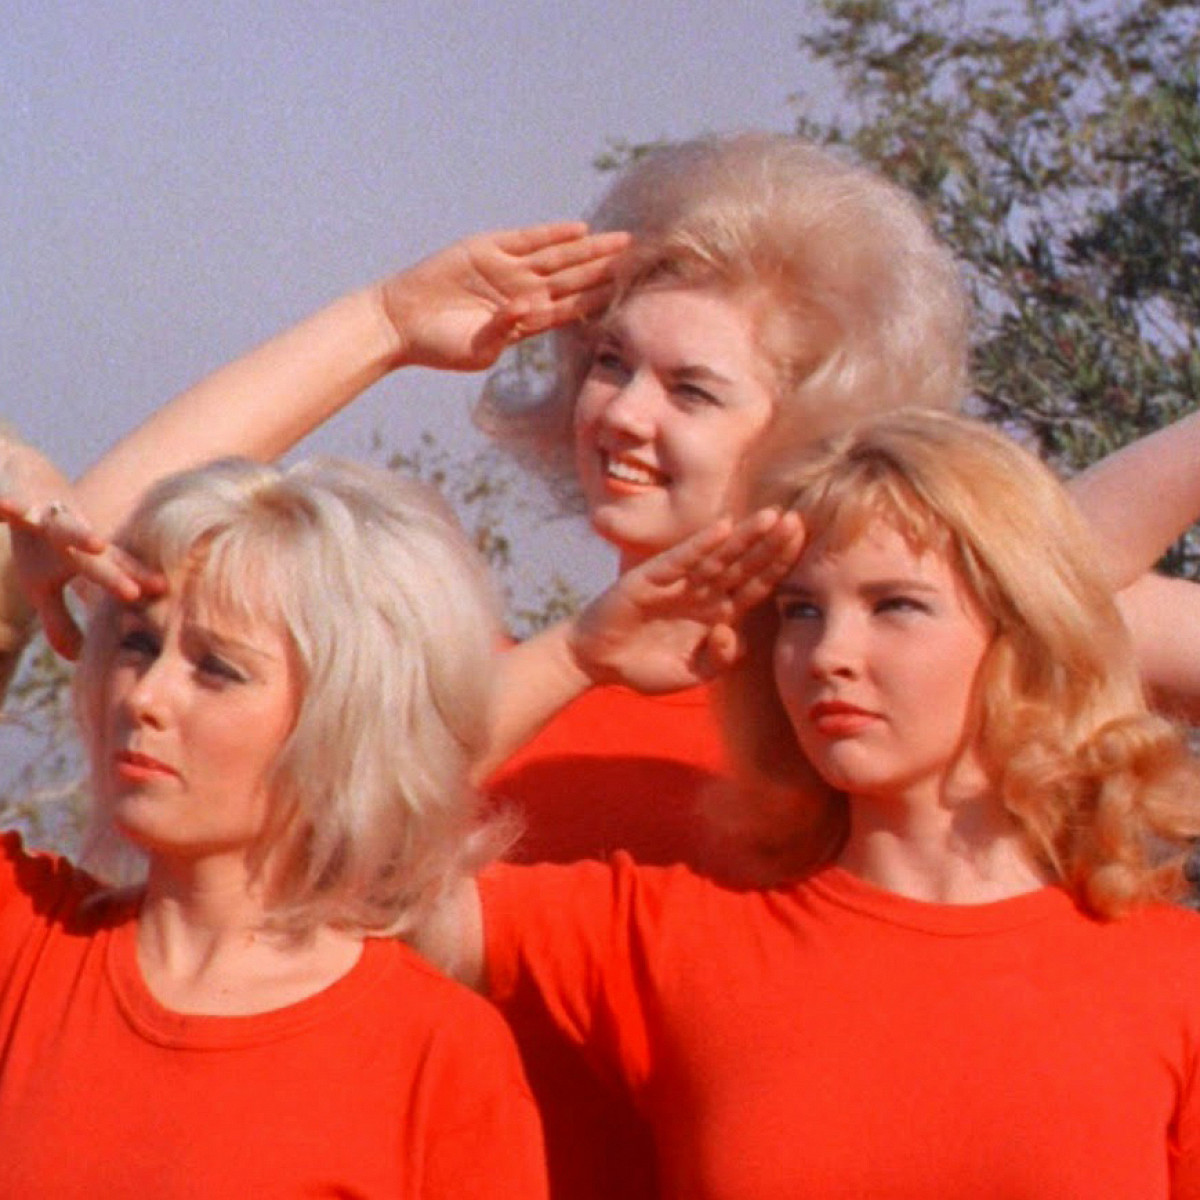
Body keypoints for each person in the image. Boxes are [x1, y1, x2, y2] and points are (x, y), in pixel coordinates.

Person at [32, 131, 1200, 1199]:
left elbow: (1052, 561)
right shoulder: (495, 689)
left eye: (690, 388)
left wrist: (950, 545)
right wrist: (383, 325)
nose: (623, 414)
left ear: (813, 423)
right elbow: (97, 545)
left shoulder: (898, 687)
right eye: (606, 362)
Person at [435, 407, 1200, 1198]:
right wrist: (575, 655)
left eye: (894, 605)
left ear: (1025, 635)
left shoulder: (1176, 979)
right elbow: (356, 875)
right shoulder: (670, 940)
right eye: (801, 611)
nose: (828, 654)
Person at [0, 441, 548, 1197]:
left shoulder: (435, 1055)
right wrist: (14, 479)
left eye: (216, 668)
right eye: (138, 644)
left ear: (347, 718)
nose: (146, 697)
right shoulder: (23, 941)